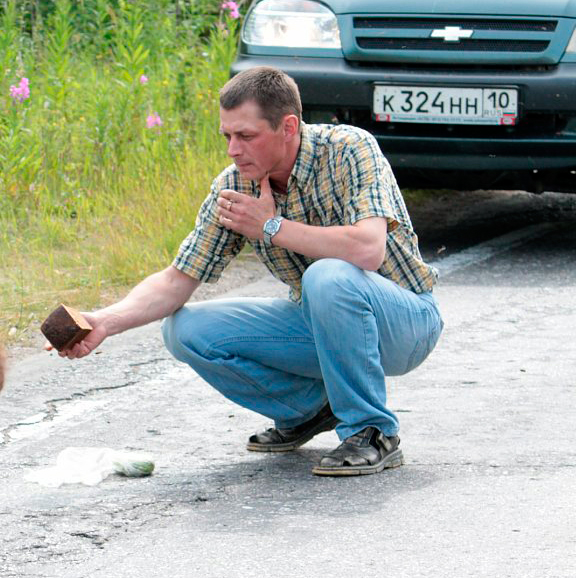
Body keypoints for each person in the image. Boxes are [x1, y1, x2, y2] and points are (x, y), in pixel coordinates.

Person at [57, 66, 442, 476]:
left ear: (288, 127)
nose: (233, 150)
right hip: (321, 324)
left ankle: (372, 430)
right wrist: (103, 322)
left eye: (246, 136)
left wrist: (271, 227)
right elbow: (176, 280)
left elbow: (368, 249)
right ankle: (310, 409)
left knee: (326, 277)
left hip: (404, 323)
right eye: (227, 136)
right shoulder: (235, 187)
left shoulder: (349, 149)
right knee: (184, 330)